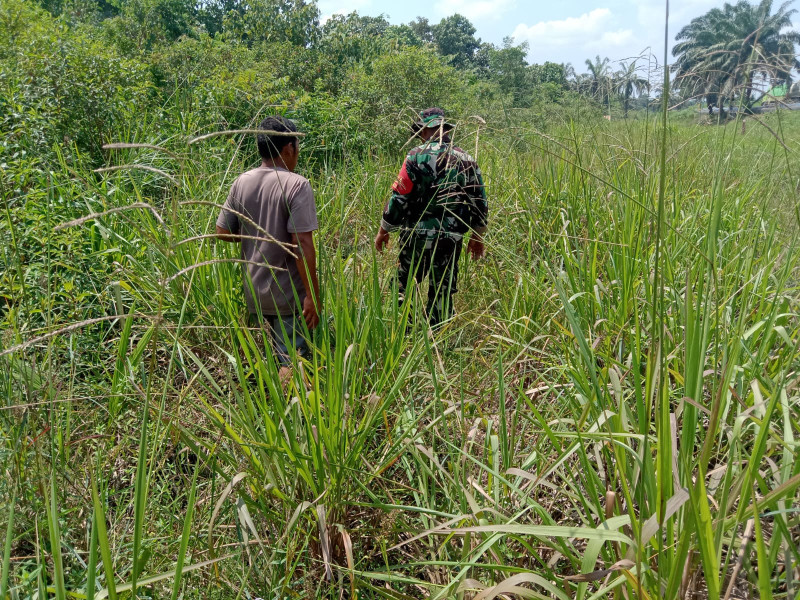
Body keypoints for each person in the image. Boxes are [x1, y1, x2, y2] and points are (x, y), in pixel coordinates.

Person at [216, 115, 320, 379]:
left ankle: (265, 400)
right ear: (289, 148)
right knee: (293, 363)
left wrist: (255, 236)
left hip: (255, 292)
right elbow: (302, 244)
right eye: (297, 145)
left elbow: (222, 232)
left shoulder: (242, 181)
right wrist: (312, 295)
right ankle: (292, 404)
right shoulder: (297, 184)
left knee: (270, 359)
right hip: (288, 295)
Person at [374, 107, 487, 327]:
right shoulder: (466, 159)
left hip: (415, 235)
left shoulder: (415, 156)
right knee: (443, 290)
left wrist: (384, 229)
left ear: (425, 130)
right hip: (450, 237)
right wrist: (477, 236)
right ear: (446, 130)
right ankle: (438, 337)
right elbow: (479, 201)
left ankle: (406, 333)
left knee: (405, 286)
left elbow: (399, 197)